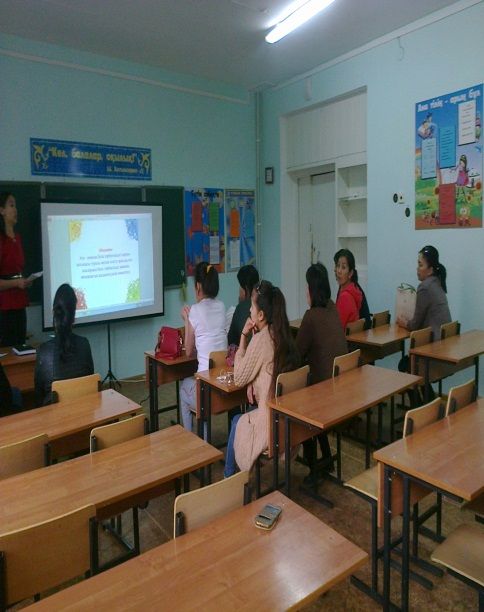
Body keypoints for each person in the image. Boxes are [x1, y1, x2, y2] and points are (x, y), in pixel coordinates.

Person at [224, 280, 299, 477]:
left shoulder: (260, 339)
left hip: (270, 425)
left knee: (236, 421)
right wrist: (252, 382)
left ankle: (229, 477)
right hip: (288, 422)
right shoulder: (282, 334)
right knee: (248, 412)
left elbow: (239, 377)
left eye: (252, 306)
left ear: (261, 315)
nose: (249, 310)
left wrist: (243, 337)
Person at [296, 263, 348, 482]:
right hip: (341, 388)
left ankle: (314, 467)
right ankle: (326, 457)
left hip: (326, 394)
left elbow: (297, 354)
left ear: (311, 290)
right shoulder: (332, 308)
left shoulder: (311, 317)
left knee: (298, 411)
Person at [179, 262, 227, 431]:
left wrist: (187, 320)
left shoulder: (195, 310)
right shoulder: (221, 306)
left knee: (183, 388)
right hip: (223, 385)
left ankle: (192, 438)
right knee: (200, 388)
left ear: (198, 286)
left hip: (206, 390)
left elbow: (188, 351)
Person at [34, 283, 94, 406]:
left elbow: (39, 397)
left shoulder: (43, 351)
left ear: (54, 313)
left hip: (54, 416)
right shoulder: (84, 344)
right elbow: (90, 383)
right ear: (74, 315)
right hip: (84, 412)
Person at [396, 245, 451, 341]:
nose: (417, 269)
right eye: (418, 265)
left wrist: (403, 323)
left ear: (430, 270)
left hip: (434, 343)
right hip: (445, 339)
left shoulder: (425, 287)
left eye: (421, 265)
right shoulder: (437, 282)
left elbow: (414, 325)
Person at [0, 192, 32, 346]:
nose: (15, 209)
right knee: (7, 349)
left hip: (19, 301)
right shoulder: (1, 239)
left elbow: (16, 270)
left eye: (15, 205)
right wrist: (16, 283)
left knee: (20, 347)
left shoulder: (17, 238)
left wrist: (25, 281)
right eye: (11, 205)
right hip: (4, 306)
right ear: (2, 210)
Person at [333, 249, 371, 330]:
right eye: (337, 266)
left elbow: (338, 329)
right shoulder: (354, 288)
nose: (339, 271)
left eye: (343, 267)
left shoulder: (345, 296)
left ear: (350, 273)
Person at [227, 264, 259, 345]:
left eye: (240, 287)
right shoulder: (266, 303)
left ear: (246, 288)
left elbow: (231, 342)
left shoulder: (241, 308)